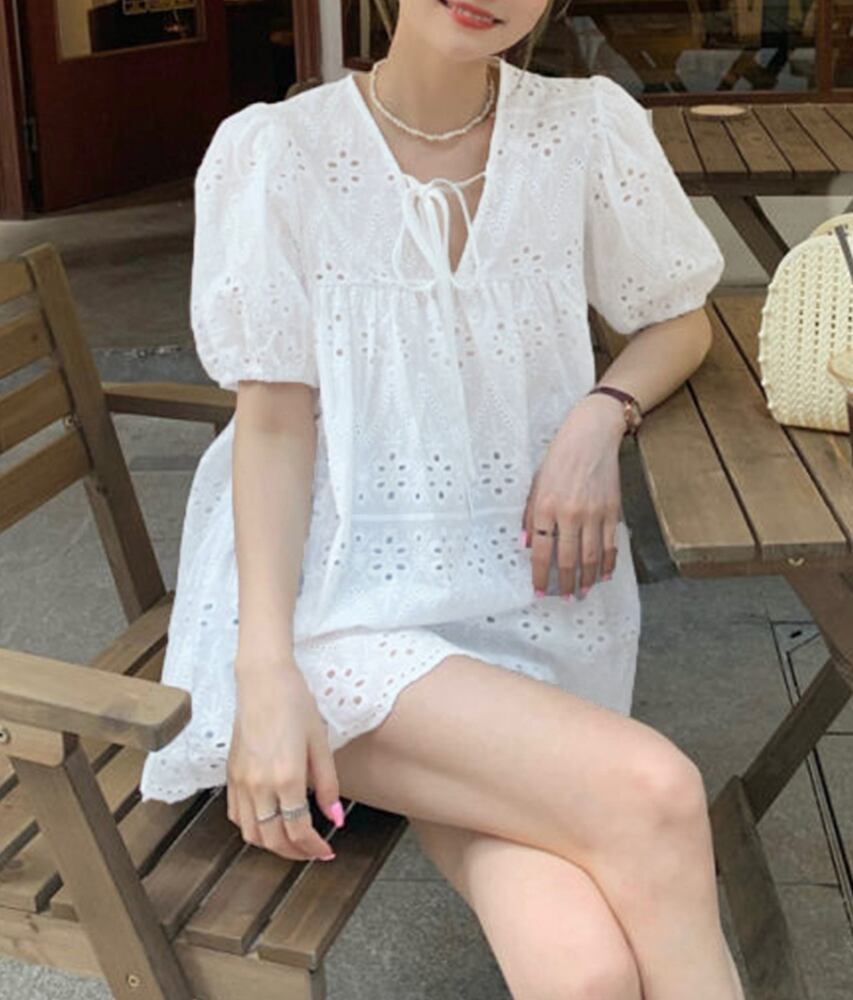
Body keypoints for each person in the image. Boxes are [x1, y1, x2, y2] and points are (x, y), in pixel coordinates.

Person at [139, 0, 743, 996]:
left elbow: (680, 319)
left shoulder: (583, 128)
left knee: (584, 970)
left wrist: (600, 415)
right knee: (658, 792)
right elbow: (274, 426)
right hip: (330, 608)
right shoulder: (275, 152)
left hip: (529, 592)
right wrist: (266, 673)